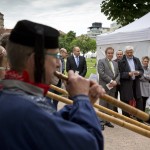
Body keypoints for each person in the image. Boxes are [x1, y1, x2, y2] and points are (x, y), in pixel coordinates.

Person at [0, 20, 105, 150]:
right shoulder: (28, 109)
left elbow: (50, 123)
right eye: (55, 56)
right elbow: (90, 144)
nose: (58, 64)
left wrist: (82, 104)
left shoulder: (13, 94)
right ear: (36, 60)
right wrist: (82, 100)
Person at [118, 46, 144, 119]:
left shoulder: (137, 60)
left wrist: (138, 72)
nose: (129, 54)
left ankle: (140, 118)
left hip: (136, 82)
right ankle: (126, 118)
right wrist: (128, 74)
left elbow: (142, 70)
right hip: (126, 83)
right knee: (125, 99)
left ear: (133, 52)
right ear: (125, 53)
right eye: (128, 52)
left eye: (131, 52)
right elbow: (119, 74)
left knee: (138, 99)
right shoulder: (121, 61)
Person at [97, 47, 120, 128]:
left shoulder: (115, 63)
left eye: (111, 53)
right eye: (109, 53)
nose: (110, 54)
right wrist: (111, 81)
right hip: (104, 87)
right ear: (106, 53)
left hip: (113, 87)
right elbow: (101, 73)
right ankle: (101, 122)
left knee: (110, 105)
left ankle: (107, 121)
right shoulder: (101, 61)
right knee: (103, 104)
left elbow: (118, 74)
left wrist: (116, 82)